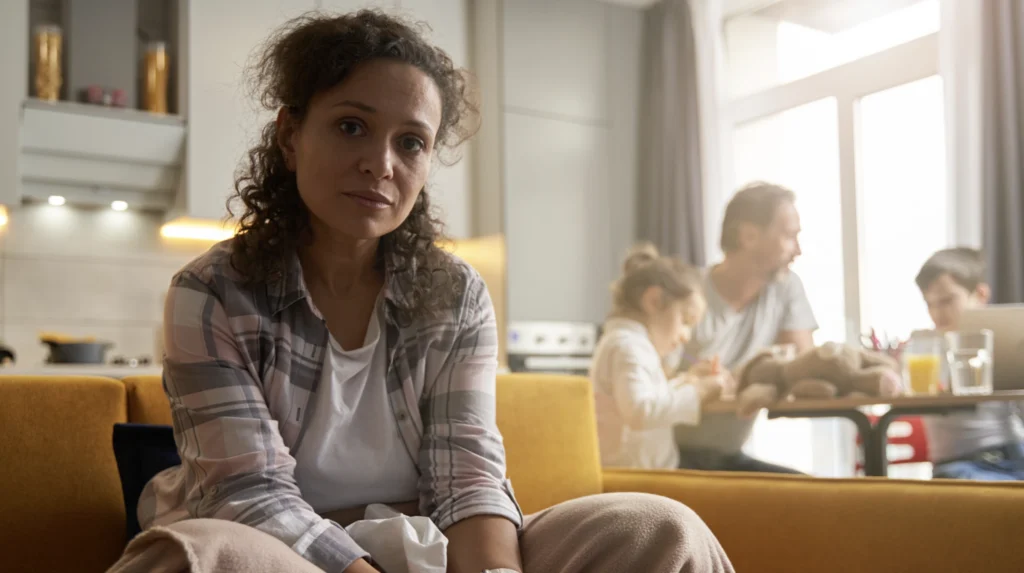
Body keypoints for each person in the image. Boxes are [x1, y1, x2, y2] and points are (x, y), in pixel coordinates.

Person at [113, 11, 735, 573]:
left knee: (662, 529)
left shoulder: (457, 294)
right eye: (351, 126)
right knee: (195, 555)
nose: (381, 164)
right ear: (290, 136)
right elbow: (249, 494)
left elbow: (468, 479)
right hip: (278, 551)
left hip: (430, 543)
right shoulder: (210, 292)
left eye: (411, 142)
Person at [674, 182, 818, 474]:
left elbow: (803, 367)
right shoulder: (684, 293)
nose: (798, 250)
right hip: (672, 459)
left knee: (813, 493)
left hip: (729, 457)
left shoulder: (786, 287)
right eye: (788, 236)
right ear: (749, 236)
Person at [590, 243, 735, 470]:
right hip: (633, 479)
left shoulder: (632, 345)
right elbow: (640, 411)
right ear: (654, 301)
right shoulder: (628, 347)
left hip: (644, 474)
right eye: (685, 320)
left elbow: (652, 396)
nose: (686, 336)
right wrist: (698, 392)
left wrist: (689, 380)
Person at [915, 247, 1024, 480]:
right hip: (960, 462)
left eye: (947, 300)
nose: (937, 313)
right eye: (930, 304)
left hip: (1015, 449)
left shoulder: (1007, 337)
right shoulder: (923, 349)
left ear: (981, 294)